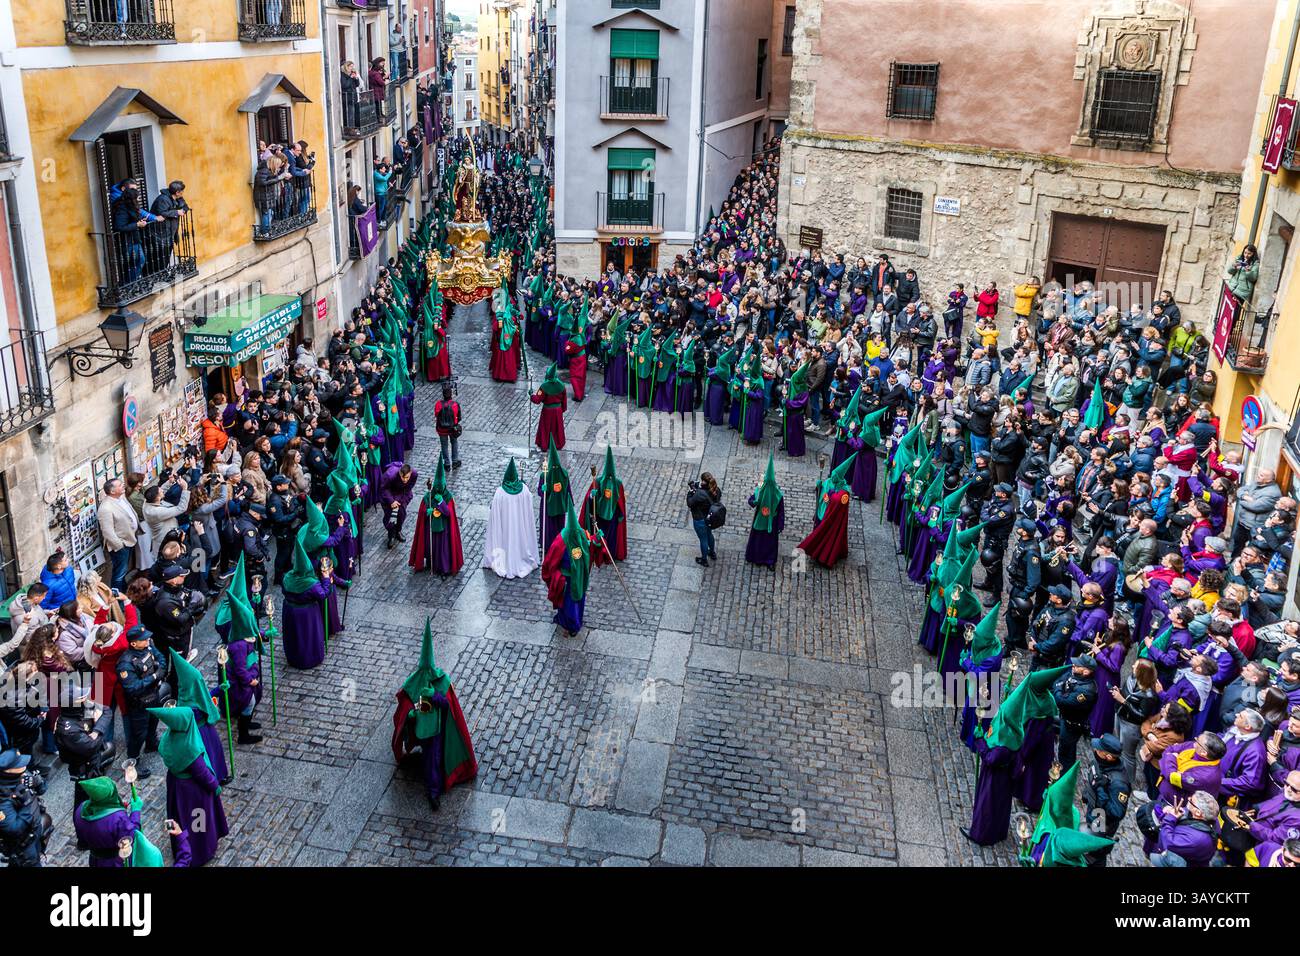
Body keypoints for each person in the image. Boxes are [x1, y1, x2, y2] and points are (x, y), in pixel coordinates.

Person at [391, 619, 478, 810]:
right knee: (429, 756)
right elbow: (408, 709)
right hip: (422, 728)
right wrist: (413, 715)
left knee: (433, 757)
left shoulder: (441, 680)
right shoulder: (414, 682)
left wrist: (434, 697)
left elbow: (447, 706)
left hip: (438, 729)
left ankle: (434, 792)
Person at [147, 705, 228, 867]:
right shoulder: (189, 747)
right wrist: (215, 787)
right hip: (193, 791)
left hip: (176, 786)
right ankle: (200, 852)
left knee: (179, 816)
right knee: (198, 821)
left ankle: (181, 844)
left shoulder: (168, 738)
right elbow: (202, 774)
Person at [541, 500, 596, 637]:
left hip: (573, 577)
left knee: (572, 601)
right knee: (572, 601)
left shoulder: (572, 536)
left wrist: (597, 539)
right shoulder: (571, 538)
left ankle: (573, 623)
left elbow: (589, 544)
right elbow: (551, 559)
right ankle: (572, 623)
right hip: (571, 577)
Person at [482, 458, 540, 578]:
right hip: (520, 526)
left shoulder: (500, 493)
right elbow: (529, 504)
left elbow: (494, 512)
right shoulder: (524, 490)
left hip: (505, 526)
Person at [799, 454, 857, 569]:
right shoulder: (829, 481)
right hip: (822, 511)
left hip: (831, 517)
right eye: (833, 474)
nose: (832, 477)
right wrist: (819, 487)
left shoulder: (844, 491)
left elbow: (840, 506)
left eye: (835, 476)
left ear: (839, 477)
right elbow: (821, 491)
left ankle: (824, 554)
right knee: (818, 532)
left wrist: (831, 498)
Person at [408, 459, 465, 576]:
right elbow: (422, 511)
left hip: (444, 529)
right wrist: (426, 512)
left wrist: (441, 503)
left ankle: (443, 568)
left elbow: (449, 513)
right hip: (431, 528)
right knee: (431, 547)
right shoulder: (428, 496)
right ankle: (431, 564)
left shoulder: (448, 497)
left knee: (442, 549)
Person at [0, 750, 47, 867]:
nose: (24, 765)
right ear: (8, 771)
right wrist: (27, 803)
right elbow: (14, 828)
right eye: (19, 764)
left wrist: (38, 782)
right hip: (23, 845)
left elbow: (42, 789)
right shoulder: (3, 797)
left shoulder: (22, 774)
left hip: (35, 829)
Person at [582, 447, 627, 562]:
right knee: (601, 537)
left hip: (613, 516)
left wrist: (620, 514)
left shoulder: (618, 484)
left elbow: (621, 501)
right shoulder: (598, 482)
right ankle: (600, 555)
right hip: (600, 516)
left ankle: (610, 555)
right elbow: (589, 499)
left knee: (611, 537)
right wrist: (592, 496)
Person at [98, 478, 139, 591]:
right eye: (120, 485)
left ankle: (124, 591)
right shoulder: (105, 508)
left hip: (129, 540)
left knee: (123, 570)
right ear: (112, 491)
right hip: (121, 546)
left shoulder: (121, 497)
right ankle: (118, 600)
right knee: (119, 574)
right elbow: (108, 532)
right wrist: (120, 545)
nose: (123, 486)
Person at [746, 452, 785, 568]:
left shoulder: (778, 495)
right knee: (758, 540)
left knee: (770, 543)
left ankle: (769, 560)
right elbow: (751, 501)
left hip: (772, 521)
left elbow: (781, 512)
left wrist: (780, 524)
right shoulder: (760, 490)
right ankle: (756, 557)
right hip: (760, 518)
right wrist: (755, 501)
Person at [380, 461, 419, 549]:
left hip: (402, 495)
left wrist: (401, 501)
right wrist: (392, 501)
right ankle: (391, 535)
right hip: (389, 496)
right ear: (399, 473)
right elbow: (384, 489)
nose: (405, 480)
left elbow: (409, 488)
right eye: (403, 477)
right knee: (390, 517)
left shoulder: (414, 474)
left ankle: (398, 531)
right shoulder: (389, 475)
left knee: (401, 514)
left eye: (407, 477)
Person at [686, 472, 721, 568]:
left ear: (704, 482)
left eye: (702, 480)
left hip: (700, 520)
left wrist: (690, 493)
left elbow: (690, 503)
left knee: (703, 539)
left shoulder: (700, 494)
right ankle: (712, 553)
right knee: (709, 534)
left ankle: (704, 559)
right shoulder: (716, 490)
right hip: (710, 519)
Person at [531, 362, 568, 450]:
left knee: (545, 427)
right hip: (558, 410)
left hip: (547, 410)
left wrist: (531, 395)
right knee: (557, 428)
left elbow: (537, 399)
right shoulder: (562, 385)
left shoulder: (543, 387)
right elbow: (564, 400)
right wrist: (562, 409)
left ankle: (545, 444)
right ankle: (558, 444)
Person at [433, 384, 462, 471]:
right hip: (452, 429)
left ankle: (447, 463)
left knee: (444, 445)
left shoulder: (438, 404)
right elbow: (459, 417)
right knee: (454, 443)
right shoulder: (455, 405)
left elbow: (436, 415)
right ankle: (455, 460)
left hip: (441, 429)